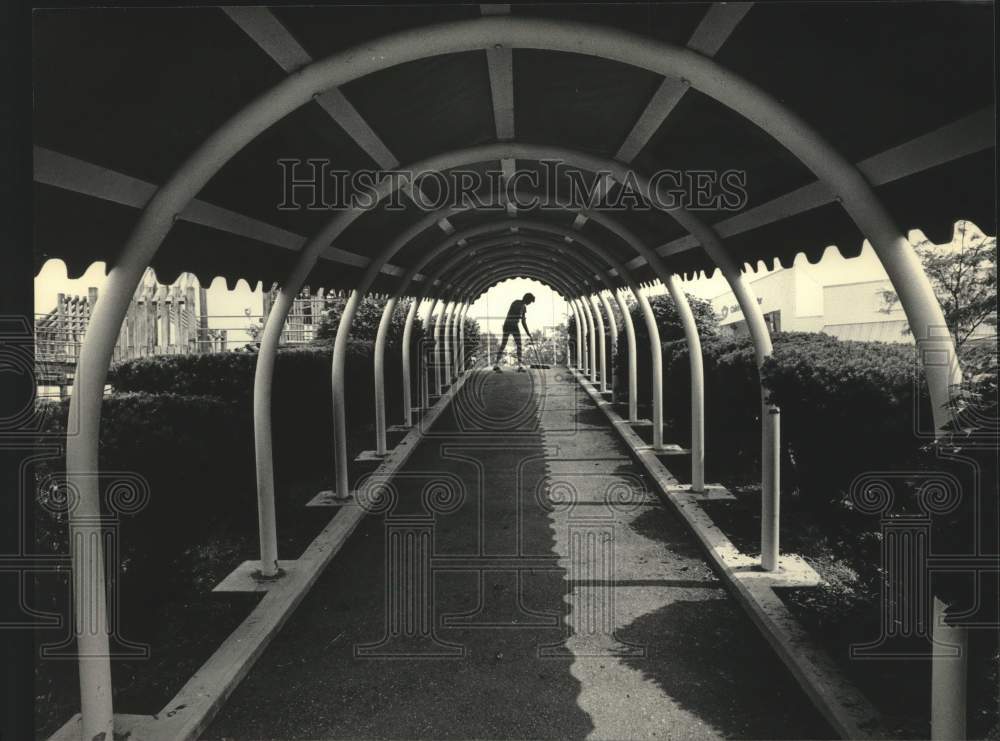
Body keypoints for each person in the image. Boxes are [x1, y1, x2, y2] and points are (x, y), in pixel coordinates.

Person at [494, 293, 535, 372]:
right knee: (504, 344)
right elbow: (515, 313)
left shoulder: (524, 308)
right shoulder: (516, 302)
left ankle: (520, 366)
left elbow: (523, 322)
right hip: (508, 324)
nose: (530, 303)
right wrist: (520, 314)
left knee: (519, 344)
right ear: (527, 299)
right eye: (530, 301)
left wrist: (528, 333)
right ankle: (496, 364)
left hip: (514, 326)